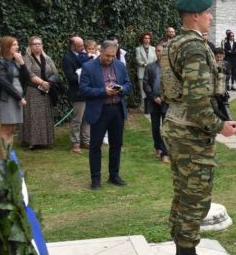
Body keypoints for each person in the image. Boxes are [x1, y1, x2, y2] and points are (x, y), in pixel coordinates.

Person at [162, 0, 236, 255]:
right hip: (190, 133)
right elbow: (196, 101)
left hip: (179, 127)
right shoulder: (193, 47)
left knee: (185, 194)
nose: (211, 16)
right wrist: (220, 126)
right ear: (194, 16)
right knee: (194, 195)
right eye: (207, 13)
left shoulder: (177, 43)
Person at [80, 40, 132, 190]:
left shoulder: (120, 66)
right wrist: (103, 91)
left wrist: (121, 89)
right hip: (99, 111)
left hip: (117, 109)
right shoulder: (88, 67)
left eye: (113, 56)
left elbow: (129, 85)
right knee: (95, 146)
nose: (110, 59)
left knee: (116, 144)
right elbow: (84, 89)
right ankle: (95, 178)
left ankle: (114, 175)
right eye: (107, 55)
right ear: (100, 51)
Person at [21, 36, 59, 149]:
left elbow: (55, 72)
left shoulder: (47, 58)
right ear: (30, 46)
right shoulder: (27, 58)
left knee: (45, 115)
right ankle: (32, 141)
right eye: (35, 44)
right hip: (33, 90)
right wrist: (42, 83)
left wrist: (49, 82)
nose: (37, 45)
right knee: (34, 115)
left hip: (47, 90)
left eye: (39, 43)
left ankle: (45, 140)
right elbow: (28, 74)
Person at [0, 36, 30, 149]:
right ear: (7, 47)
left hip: (17, 97)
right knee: (6, 128)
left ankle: (8, 155)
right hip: (7, 98)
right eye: (14, 45)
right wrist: (19, 97)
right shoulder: (0, 62)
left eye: (17, 44)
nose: (17, 47)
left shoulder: (15, 62)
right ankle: (4, 157)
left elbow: (26, 78)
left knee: (12, 128)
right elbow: (4, 83)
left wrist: (22, 63)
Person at [63, 36, 90, 153]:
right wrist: (83, 75)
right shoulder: (67, 58)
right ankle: (75, 143)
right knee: (77, 119)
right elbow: (70, 77)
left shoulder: (85, 55)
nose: (83, 47)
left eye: (83, 45)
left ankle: (86, 141)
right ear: (72, 46)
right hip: (77, 92)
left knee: (87, 119)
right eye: (80, 46)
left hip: (88, 91)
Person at [144, 40, 169, 162]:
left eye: (163, 50)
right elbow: (146, 84)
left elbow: (173, 84)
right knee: (155, 127)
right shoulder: (150, 67)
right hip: (153, 101)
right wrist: (154, 97)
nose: (160, 53)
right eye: (158, 51)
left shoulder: (171, 68)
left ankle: (165, 152)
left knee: (166, 127)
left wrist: (165, 97)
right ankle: (158, 147)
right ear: (156, 52)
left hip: (166, 101)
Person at [134, 32, 157, 101]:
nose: (147, 39)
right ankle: (143, 106)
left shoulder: (153, 48)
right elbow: (138, 60)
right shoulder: (138, 49)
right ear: (142, 39)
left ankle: (152, 107)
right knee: (142, 91)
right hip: (142, 71)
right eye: (145, 38)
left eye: (148, 38)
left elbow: (155, 59)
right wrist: (145, 65)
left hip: (152, 72)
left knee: (152, 89)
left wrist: (152, 66)